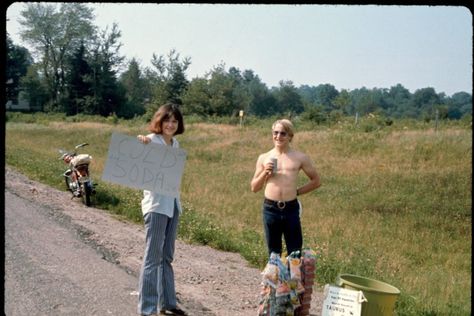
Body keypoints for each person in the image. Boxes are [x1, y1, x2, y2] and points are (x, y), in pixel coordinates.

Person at [136, 103, 187, 316]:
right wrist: (143, 142)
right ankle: (147, 309)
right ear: (160, 121)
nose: (171, 124)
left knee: (167, 256)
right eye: (167, 120)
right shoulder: (152, 141)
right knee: (152, 257)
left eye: (175, 121)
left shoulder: (175, 144)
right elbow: (138, 151)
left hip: (172, 205)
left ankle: (168, 303)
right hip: (156, 206)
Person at [250, 119, 321, 257]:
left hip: (290, 209)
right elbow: (254, 187)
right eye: (275, 133)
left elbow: (316, 181)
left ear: (290, 136)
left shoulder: (300, 157)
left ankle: (292, 278)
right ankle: (274, 278)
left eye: (283, 133)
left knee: (294, 252)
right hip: (270, 209)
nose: (278, 137)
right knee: (273, 252)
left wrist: (297, 192)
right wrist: (265, 173)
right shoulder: (264, 157)